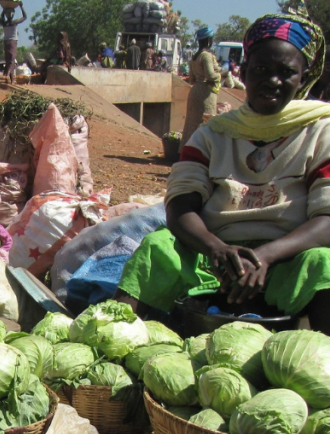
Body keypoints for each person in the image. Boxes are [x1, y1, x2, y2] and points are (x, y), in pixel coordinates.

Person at [115, 11, 330, 335]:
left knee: (325, 265)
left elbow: (326, 220)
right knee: (158, 247)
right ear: (243, 72)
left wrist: (265, 256)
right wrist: (216, 249)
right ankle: (114, 344)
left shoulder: (320, 132)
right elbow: (180, 208)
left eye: (286, 72)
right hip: (213, 259)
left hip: (286, 260)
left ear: (303, 77)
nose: (272, 81)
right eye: (261, 70)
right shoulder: (213, 135)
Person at [180, 27, 221, 148]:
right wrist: (221, 74)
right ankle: (203, 151)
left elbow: (191, 79)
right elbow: (210, 75)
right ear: (209, 40)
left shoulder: (194, 57)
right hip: (205, 94)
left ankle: (188, 150)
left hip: (194, 92)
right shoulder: (206, 56)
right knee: (206, 121)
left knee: (191, 124)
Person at [0, 1, 26, 84]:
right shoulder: (14, 22)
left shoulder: (4, 23)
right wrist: (21, 6)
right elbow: (24, 17)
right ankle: (7, 74)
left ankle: (11, 79)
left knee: (9, 60)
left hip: (6, 42)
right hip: (12, 42)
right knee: (11, 60)